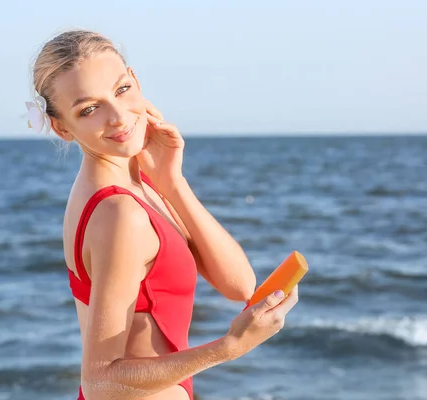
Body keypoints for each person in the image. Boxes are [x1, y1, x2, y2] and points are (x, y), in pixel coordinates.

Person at [26, 29, 299, 400]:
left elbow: (239, 285)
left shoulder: (137, 186)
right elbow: (100, 382)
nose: (119, 117)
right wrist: (229, 347)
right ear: (61, 127)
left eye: (122, 90)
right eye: (89, 109)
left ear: (136, 80)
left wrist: (172, 182)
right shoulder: (119, 212)